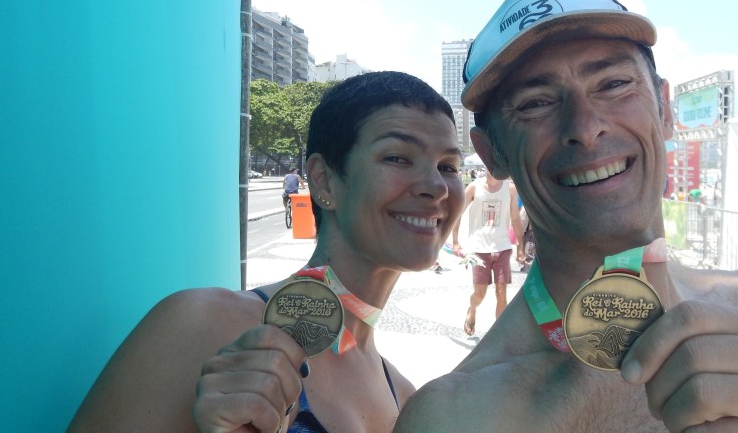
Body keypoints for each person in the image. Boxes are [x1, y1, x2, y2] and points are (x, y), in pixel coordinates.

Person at [393, 0, 738, 432]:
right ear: (493, 154)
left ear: (663, 109)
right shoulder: (456, 415)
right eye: (536, 103)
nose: (586, 126)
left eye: (614, 84)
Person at [69, 71, 465, 433]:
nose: (436, 185)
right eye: (397, 157)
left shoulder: (405, 397)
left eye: (449, 166)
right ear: (324, 179)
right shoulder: (203, 325)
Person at [451, 172, 524, 336]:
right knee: (480, 294)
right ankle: (472, 310)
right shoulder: (474, 187)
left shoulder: (510, 188)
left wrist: (520, 246)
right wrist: (455, 242)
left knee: (501, 292)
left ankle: (499, 334)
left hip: (502, 247)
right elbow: (456, 213)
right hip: (479, 250)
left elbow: (515, 218)